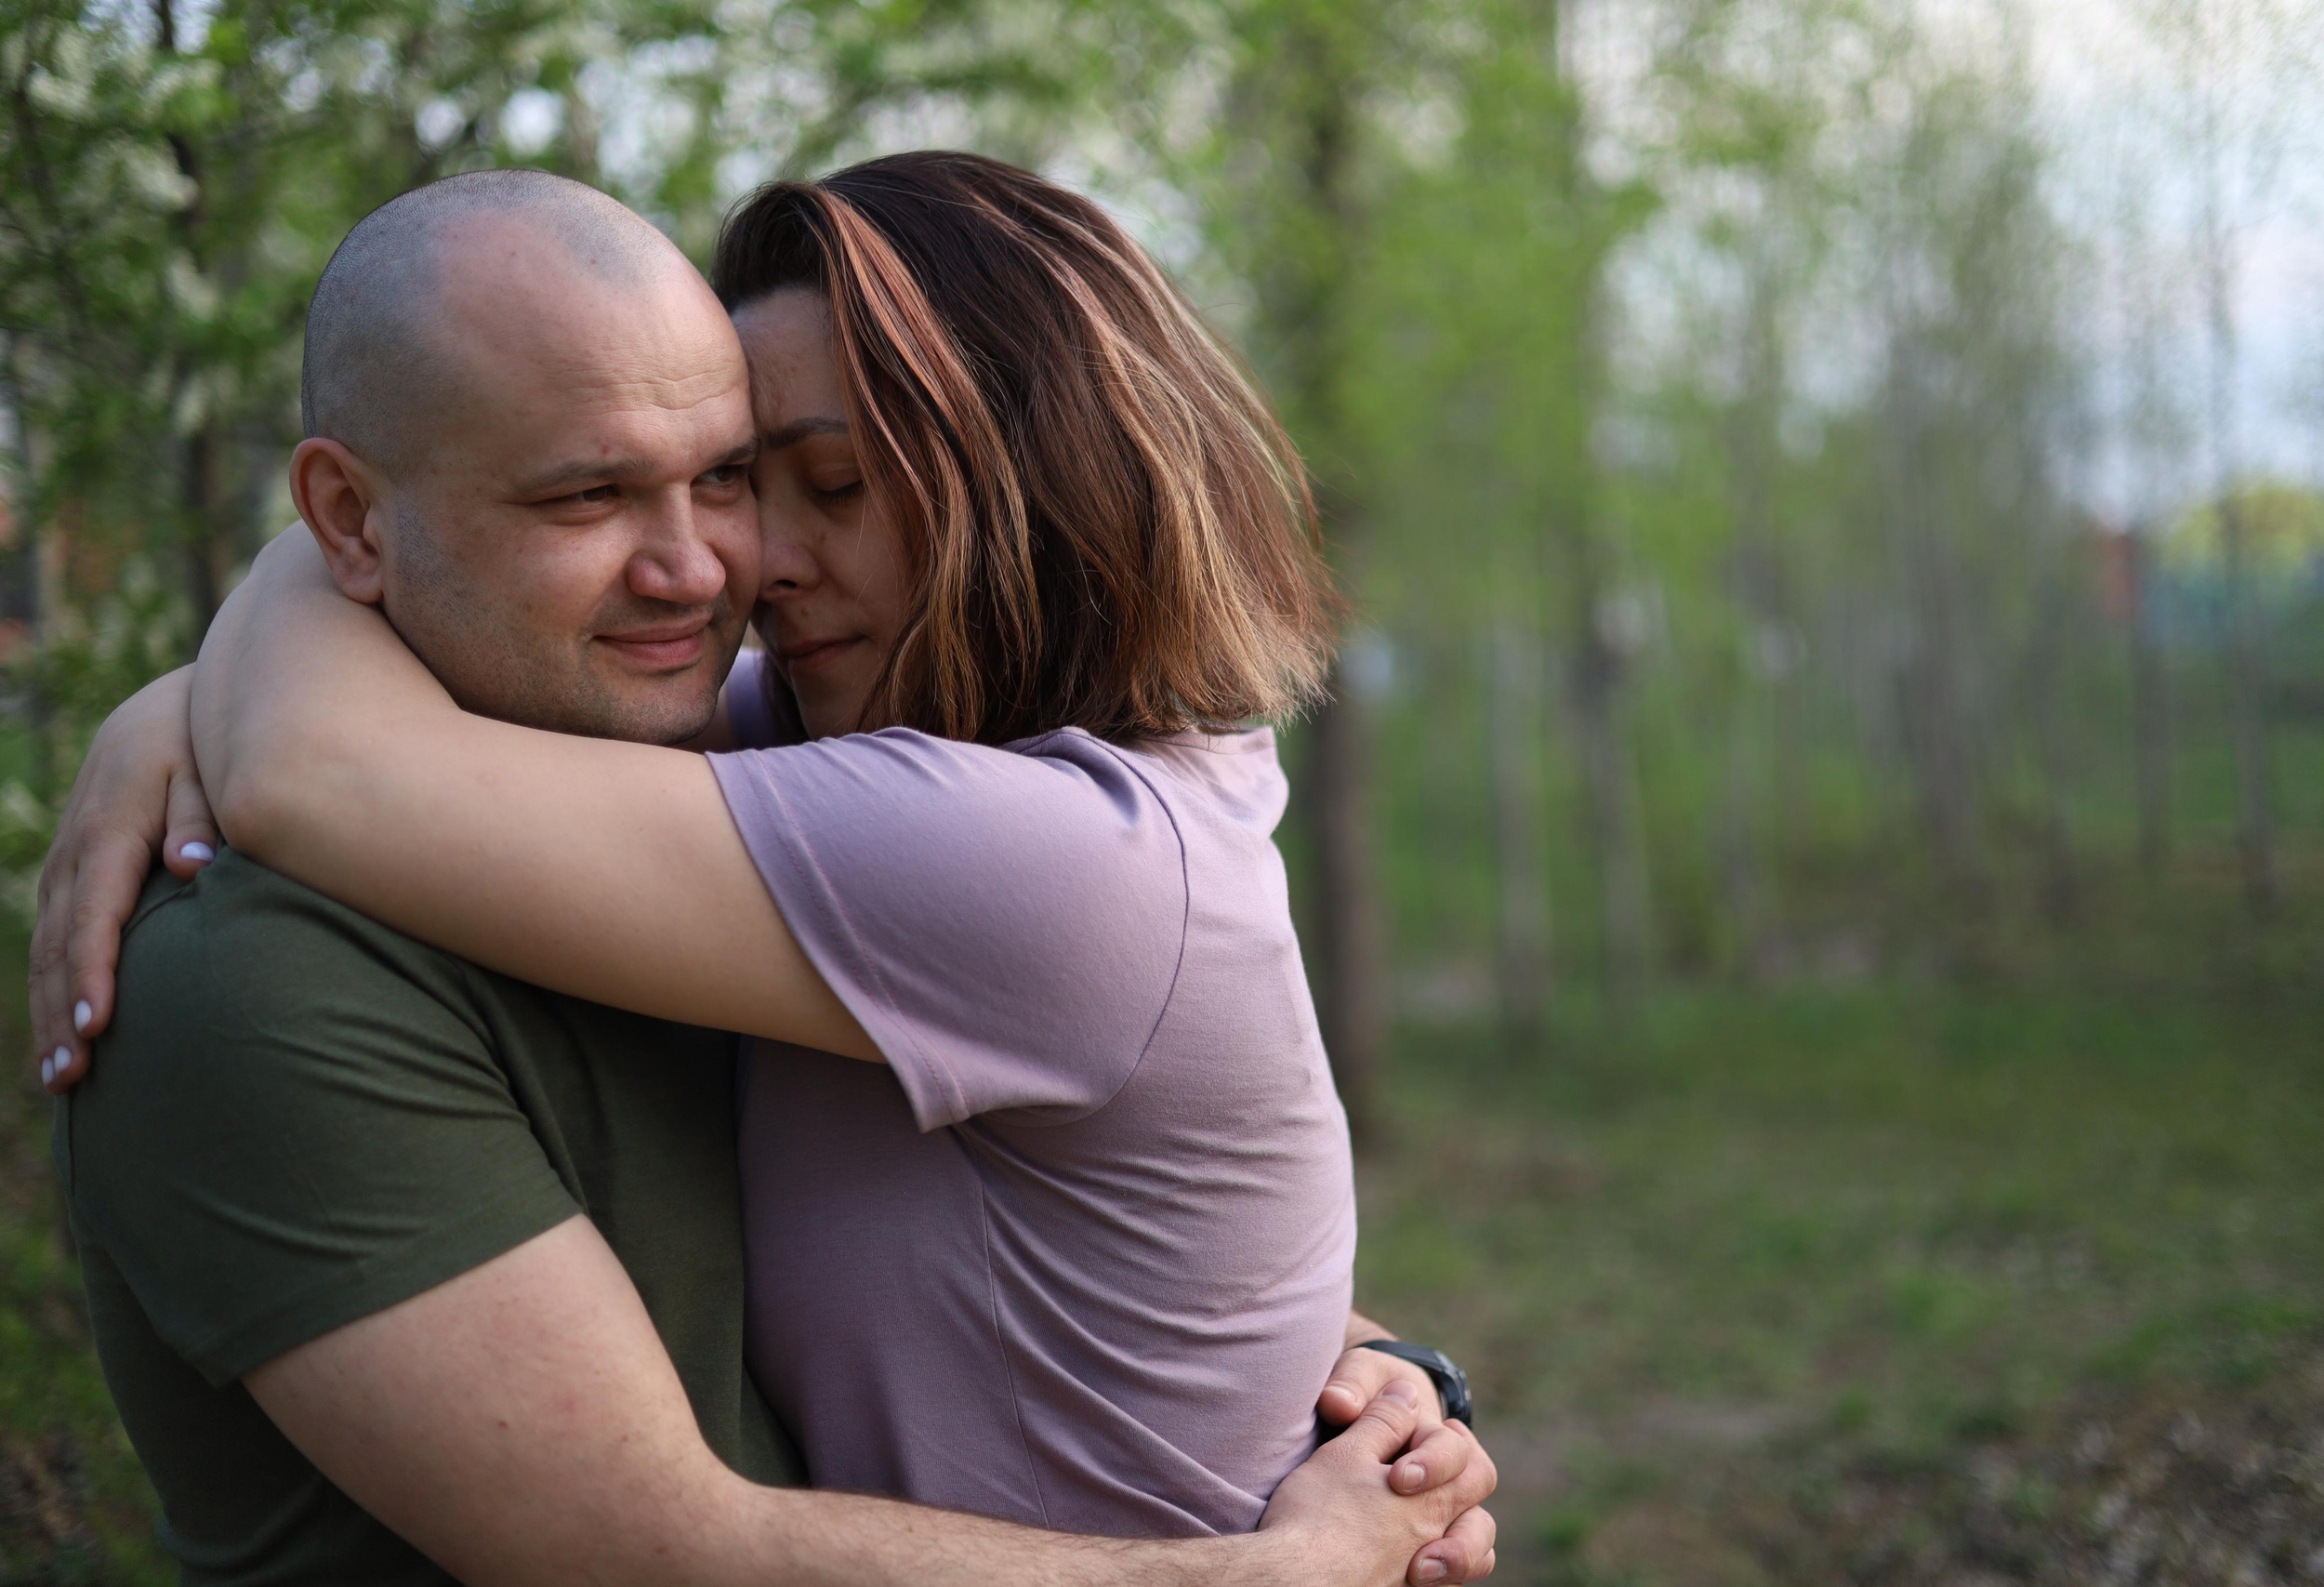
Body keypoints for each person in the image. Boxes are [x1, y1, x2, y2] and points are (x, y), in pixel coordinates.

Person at [31, 169, 1497, 1586]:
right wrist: (192, 693)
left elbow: (326, 770)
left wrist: (244, 644)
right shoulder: (808, 759)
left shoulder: (1034, 849)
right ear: (352, 513)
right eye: (601, 489)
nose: (737, 567)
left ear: (1035, 496)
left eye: (819, 484)